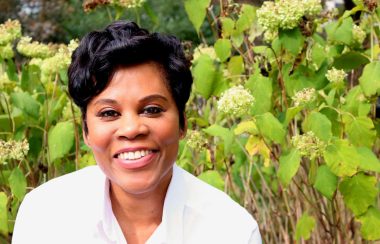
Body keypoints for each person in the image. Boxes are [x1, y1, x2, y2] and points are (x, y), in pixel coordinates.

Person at [12, 21, 261, 244]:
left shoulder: (232, 231)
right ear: (85, 130)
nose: (131, 129)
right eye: (109, 113)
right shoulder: (45, 217)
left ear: (183, 123)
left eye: (152, 109)